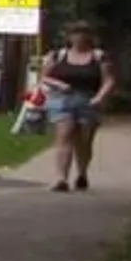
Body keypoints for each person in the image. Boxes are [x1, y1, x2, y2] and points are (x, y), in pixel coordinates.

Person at [38, 24, 109, 191]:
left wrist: (100, 97)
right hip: (62, 100)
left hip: (88, 100)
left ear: (90, 36)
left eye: (84, 33)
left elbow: (109, 80)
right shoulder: (58, 55)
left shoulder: (98, 56)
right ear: (69, 37)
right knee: (64, 136)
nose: (79, 37)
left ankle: (82, 173)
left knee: (84, 141)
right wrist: (59, 84)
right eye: (75, 33)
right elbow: (44, 77)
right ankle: (61, 178)